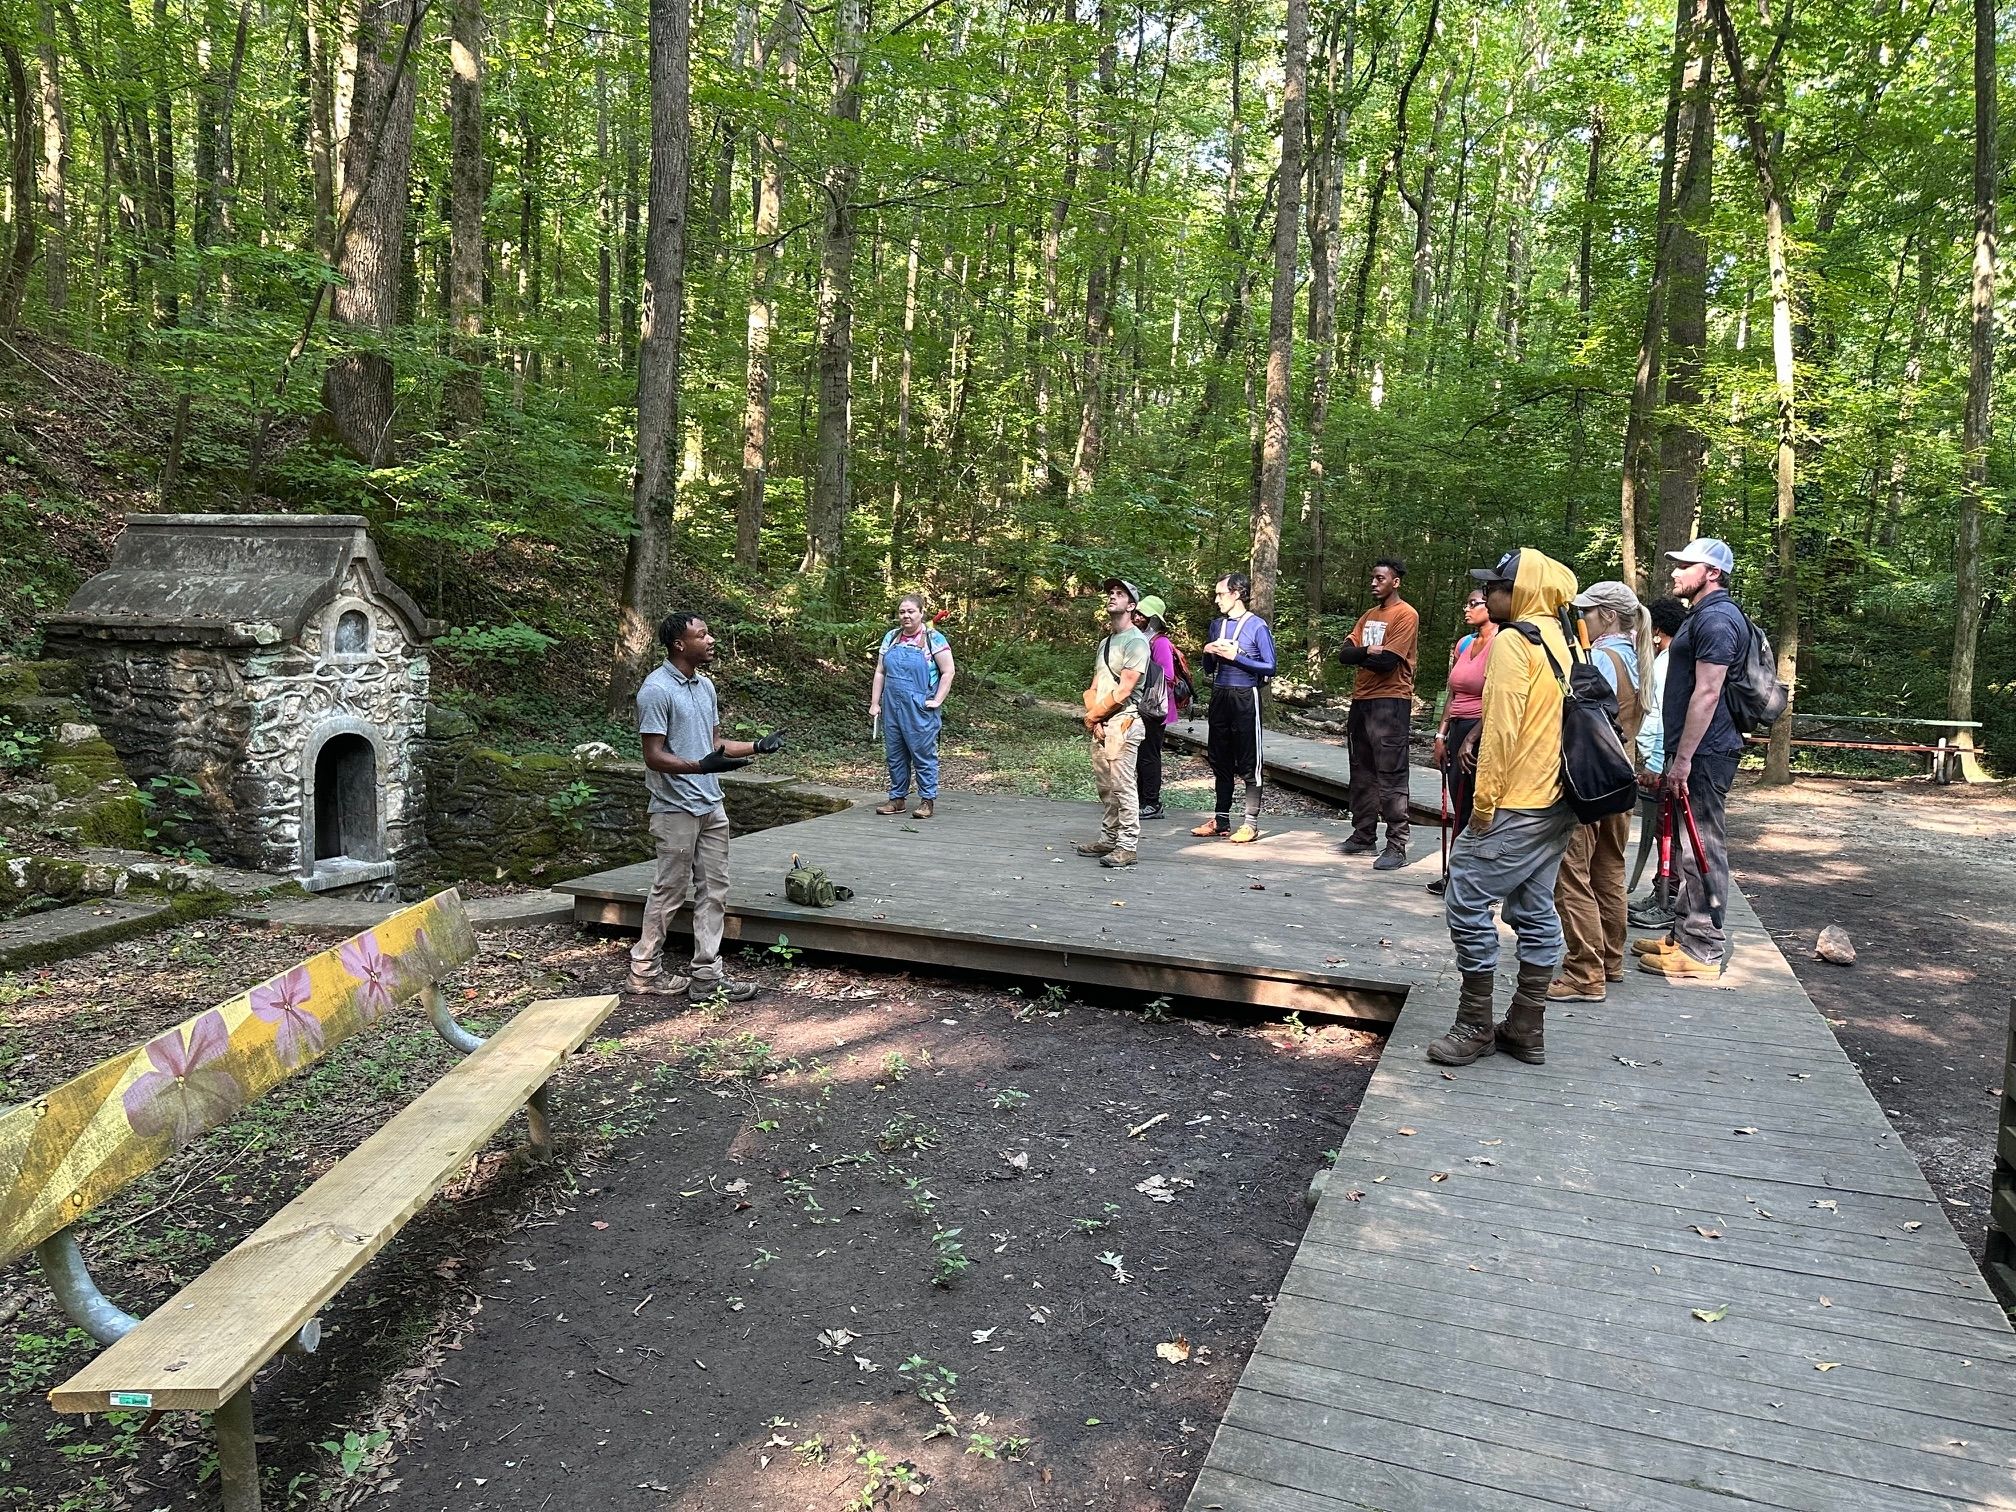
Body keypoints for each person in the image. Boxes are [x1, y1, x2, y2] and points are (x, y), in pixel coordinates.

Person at [1427, 548, 1580, 1068]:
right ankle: (1525, 1025)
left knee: (1466, 899)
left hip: (1515, 801)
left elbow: (1500, 732)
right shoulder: (1561, 639)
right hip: (1558, 801)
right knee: (1535, 908)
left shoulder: (1517, 641)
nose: (1488, 594)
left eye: (1497, 585)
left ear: (1523, 591)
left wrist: (1483, 808)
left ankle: (1475, 1024)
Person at [629, 612, 786, 1002]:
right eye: (702, 634)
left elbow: (714, 745)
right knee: (669, 890)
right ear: (680, 644)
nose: (711, 639)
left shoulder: (705, 687)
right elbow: (653, 755)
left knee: (715, 890)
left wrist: (755, 746)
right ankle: (644, 972)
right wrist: (700, 766)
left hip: (711, 805)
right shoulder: (656, 690)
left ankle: (707, 977)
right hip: (674, 808)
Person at [1636, 539, 1745, 983]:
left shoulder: (1718, 619)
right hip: (1691, 751)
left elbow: (1708, 691)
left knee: (1703, 845)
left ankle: (1703, 949)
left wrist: (1681, 760)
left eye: (1686, 565)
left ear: (1713, 572)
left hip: (1706, 752)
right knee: (1684, 844)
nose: (1676, 571)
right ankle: (1682, 936)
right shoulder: (1701, 615)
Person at [1548, 580, 1651, 1003]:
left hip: (1588, 782)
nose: (1581, 620)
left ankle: (1584, 972)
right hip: (1621, 779)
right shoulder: (1639, 658)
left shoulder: (1599, 659)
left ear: (1607, 616)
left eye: (1587, 613)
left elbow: (1580, 721)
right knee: (1609, 870)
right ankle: (1611, 959)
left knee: (1571, 876)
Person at [1337, 558, 1420, 870]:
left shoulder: (1406, 614)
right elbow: (1345, 654)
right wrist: (1366, 652)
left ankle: (1397, 844)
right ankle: (1363, 834)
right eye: (1372, 577)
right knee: (1361, 769)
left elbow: (1388, 662)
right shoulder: (1369, 615)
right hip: (1361, 700)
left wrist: (1368, 654)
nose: (1374, 582)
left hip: (1391, 702)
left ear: (1395, 582)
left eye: (1380, 578)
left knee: (1392, 773)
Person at [1193, 571, 1276, 842]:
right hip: (1220, 694)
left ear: (1237, 593)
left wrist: (1237, 657)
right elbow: (1209, 668)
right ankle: (1221, 819)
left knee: (1249, 761)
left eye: (1220, 594)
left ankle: (1250, 822)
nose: (1216, 599)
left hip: (1245, 696)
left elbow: (1270, 666)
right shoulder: (1217, 625)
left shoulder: (1257, 626)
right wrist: (1207, 652)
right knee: (1219, 758)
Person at [1077, 578, 1151, 868]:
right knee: (1106, 787)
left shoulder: (1136, 642)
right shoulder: (1106, 642)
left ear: (1131, 606)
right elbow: (1097, 684)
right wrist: (1094, 717)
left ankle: (1127, 845)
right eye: (1110, 593)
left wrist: (1094, 716)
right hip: (1102, 723)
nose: (1112, 597)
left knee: (1123, 786)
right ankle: (1108, 840)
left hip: (1124, 722)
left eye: (1120, 594)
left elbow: (1124, 690)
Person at [1627, 595, 1689, 926]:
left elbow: (1659, 716)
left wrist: (1652, 763)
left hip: (1667, 759)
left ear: (1656, 630)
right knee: (1669, 831)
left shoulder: (1667, 662)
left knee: (1668, 831)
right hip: (1676, 756)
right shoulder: (1683, 657)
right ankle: (1662, 892)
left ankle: (1669, 902)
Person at [1428, 587, 1494, 896]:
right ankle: (1456, 873)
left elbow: (1499, 698)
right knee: (1459, 804)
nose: (1466, 609)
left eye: (1473, 603)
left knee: (1473, 805)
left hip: (1481, 731)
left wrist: (1472, 736)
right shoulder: (1465, 643)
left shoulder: (1502, 644)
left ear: (1490, 606)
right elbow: (1452, 692)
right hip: (1456, 728)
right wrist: (1441, 734)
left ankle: (1468, 877)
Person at [870, 594, 955, 819]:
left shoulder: (934, 638)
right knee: (895, 755)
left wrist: (937, 700)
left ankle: (927, 801)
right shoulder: (891, 637)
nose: (906, 616)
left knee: (923, 755)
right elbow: (880, 671)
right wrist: (875, 703)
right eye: (902, 612)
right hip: (892, 707)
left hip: (920, 708)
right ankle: (897, 799)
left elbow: (948, 672)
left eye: (910, 611)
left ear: (921, 612)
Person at [1134, 595, 1179, 820]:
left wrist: (1139, 665)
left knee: (1149, 755)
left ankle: (1152, 803)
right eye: (1137, 613)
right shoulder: (1140, 639)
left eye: (1143, 614)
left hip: (1155, 708)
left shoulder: (1159, 642)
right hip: (1144, 706)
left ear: (1153, 619)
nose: (1137, 617)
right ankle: (1143, 801)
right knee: (1141, 755)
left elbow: (1168, 675)